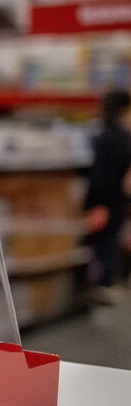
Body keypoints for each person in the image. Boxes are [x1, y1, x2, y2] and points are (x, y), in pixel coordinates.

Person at [84, 89, 131, 303]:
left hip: (102, 196)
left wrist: (93, 202)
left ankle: (101, 283)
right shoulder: (125, 138)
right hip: (117, 196)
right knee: (110, 239)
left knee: (101, 240)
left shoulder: (100, 138)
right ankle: (107, 282)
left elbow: (99, 174)